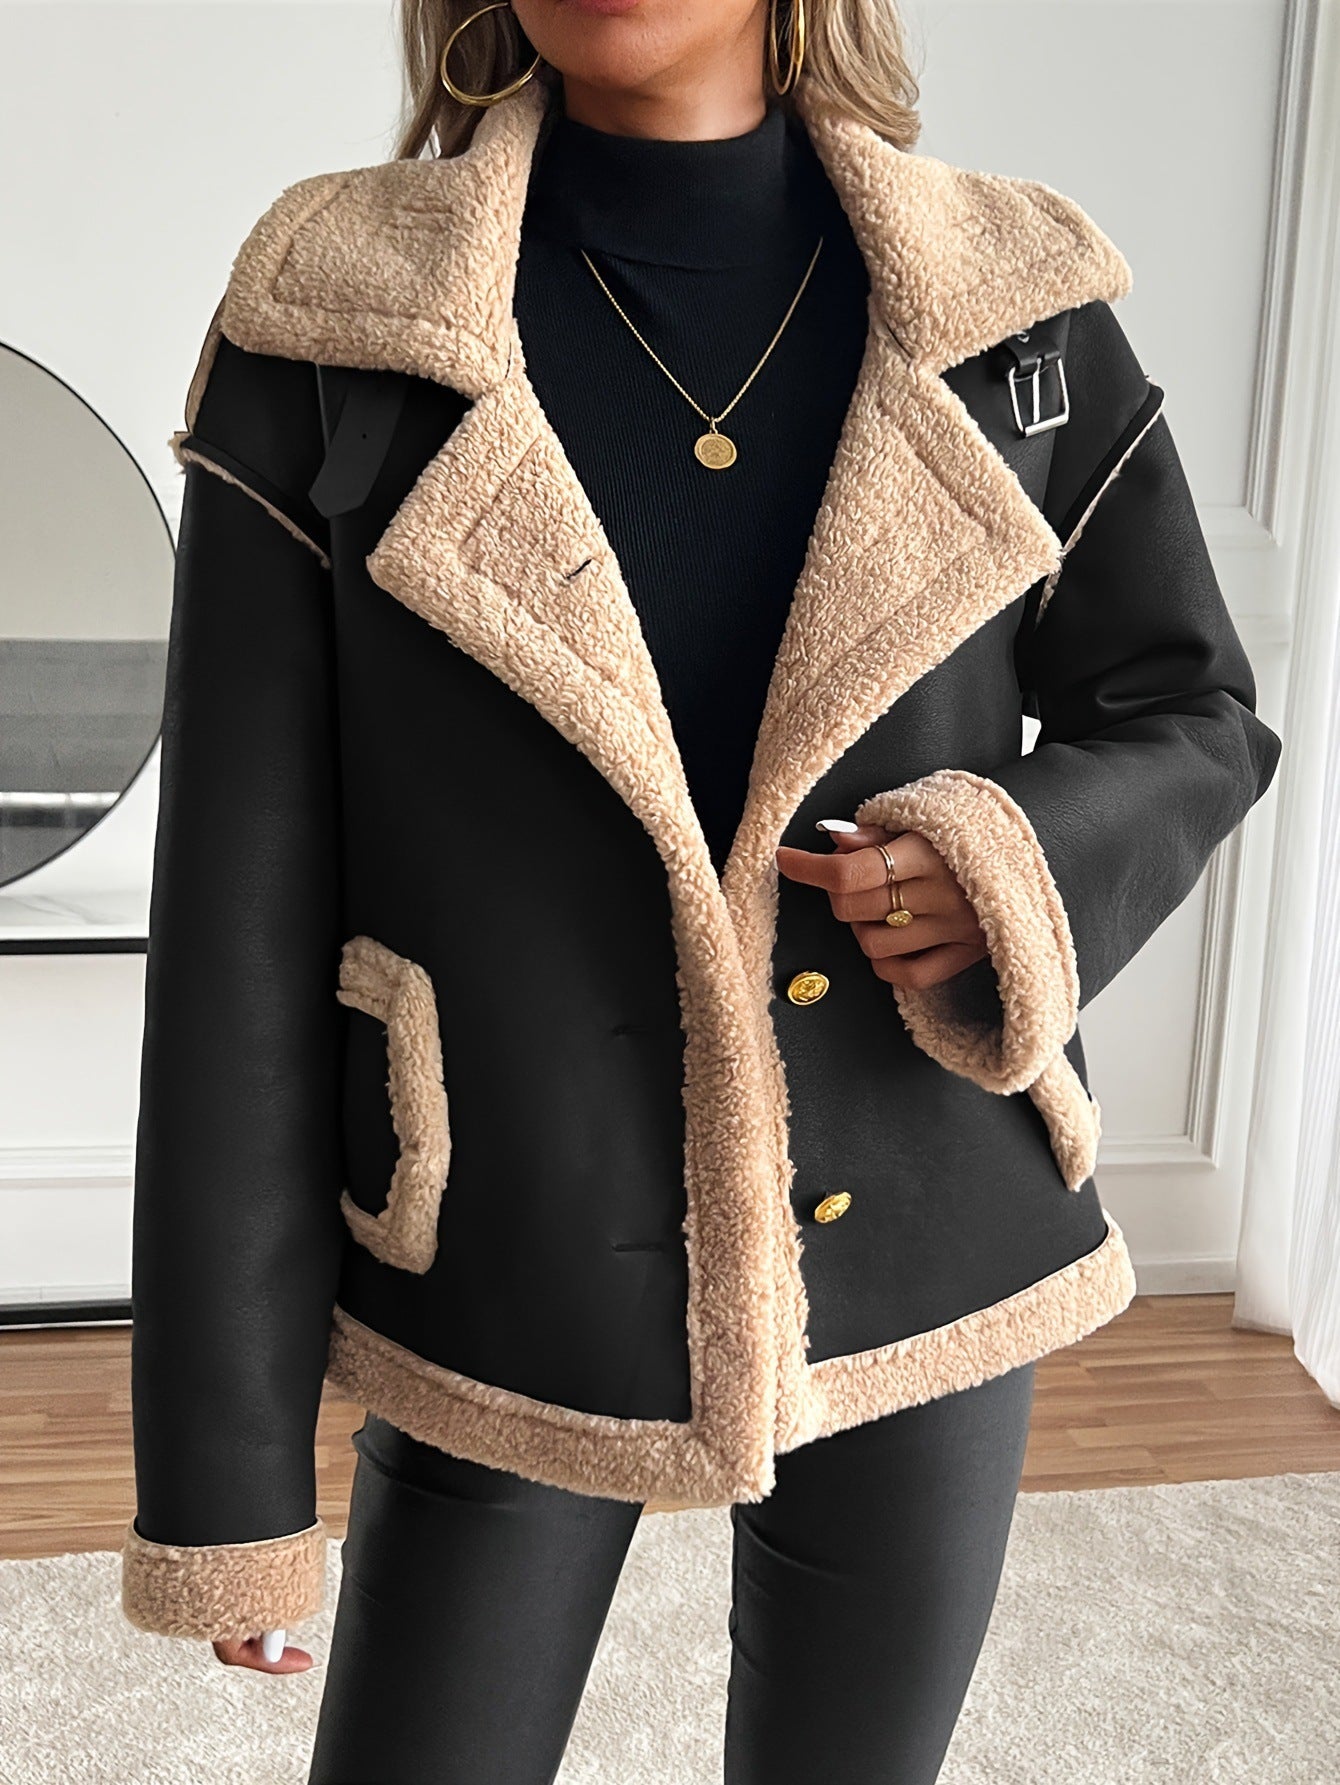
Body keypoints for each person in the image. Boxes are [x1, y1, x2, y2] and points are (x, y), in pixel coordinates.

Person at [118, 1, 1283, 1781]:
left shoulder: (1011, 305)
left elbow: (1187, 706)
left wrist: (1006, 861)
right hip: (501, 1258)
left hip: (928, 1239)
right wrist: (229, 1477)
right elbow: (236, 922)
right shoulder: (335, 314)